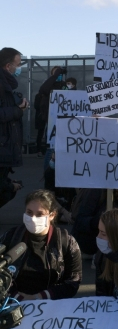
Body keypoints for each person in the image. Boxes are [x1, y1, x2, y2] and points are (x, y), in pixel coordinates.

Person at [0, 189, 82, 300]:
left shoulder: (67, 242)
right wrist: (17, 297)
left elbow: (73, 282)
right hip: (13, 303)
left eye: (39, 214)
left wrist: (40, 297)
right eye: (29, 212)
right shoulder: (11, 237)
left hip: (52, 308)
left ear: (52, 215)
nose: (33, 218)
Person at [0, 47, 27, 208]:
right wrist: (18, 110)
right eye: (17, 64)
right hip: (2, 147)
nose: (19, 68)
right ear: (8, 66)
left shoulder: (6, 85)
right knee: (6, 188)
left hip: (5, 147)